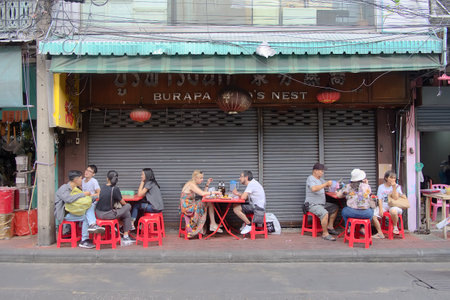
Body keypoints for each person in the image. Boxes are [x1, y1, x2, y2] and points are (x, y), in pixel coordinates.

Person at [55, 170, 105, 249]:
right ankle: (84, 240)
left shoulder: (76, 188)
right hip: (65, 214)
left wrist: (97, 196)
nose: (82, 180)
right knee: (86, 218)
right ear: (76, 179)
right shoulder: (64, 188)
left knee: (89, 206)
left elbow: (82, 200)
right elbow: (68, 199)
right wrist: (83, 194)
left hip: (74, 211)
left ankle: (93, 225)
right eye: (81, 178)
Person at [95, 170, 135, 246]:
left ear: (107, 178)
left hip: (98, 213)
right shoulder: (115, 189)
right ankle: (125, 235)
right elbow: (123, 202)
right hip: (108, 214)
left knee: (126, 213)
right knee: (128, 207)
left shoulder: (102, 187)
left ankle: (121, 227)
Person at [180, 170, 222, 238]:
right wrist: (215, 192)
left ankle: (213, 224)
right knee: (208, 202)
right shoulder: (191, 185)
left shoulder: (193, 184)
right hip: (187, 208)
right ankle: (213, 224)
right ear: (195, 178)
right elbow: (202, 194)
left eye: (202, 178)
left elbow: (203, 194)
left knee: (208, 202)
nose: (202, 180)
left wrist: (207, 184)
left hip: (189, 205)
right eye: (201, 178)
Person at [305, 163, 339, 241]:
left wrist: (332, 184)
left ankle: (330, 227)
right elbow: (313, 189)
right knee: (324, 213)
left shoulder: (320, 180)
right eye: (321, 171)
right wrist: (325, 184)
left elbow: (326, 185)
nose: (322, 173)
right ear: (315, 171)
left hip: (321, 204)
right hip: (312, 204)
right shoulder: (311, 178)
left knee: (335, 207)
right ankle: (325, 234)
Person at [232, 170, 266, 235]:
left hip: (257, 208)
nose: (239, 178)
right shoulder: (253, 183)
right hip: (257, 206)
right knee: (236, 205)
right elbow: (246, 197)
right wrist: (237, 194)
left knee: (236, 209)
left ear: (246, 177)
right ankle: (246, 223)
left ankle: (248, 225)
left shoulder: (251, 184)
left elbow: (243, 198)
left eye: (241, 176)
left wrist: (237, 193)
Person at [372, 170, 404, 238]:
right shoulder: (381, 187)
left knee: (393, 211)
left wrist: (394, 187)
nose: (393, 179)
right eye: (391, 178)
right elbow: (380, 199)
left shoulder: (397, 187)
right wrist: (380, 209)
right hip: (384, 205)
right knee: (373, 215)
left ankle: (395, 227)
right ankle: (380, 233)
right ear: (386, 178)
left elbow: (395, 198)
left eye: (394, 178)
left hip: (395, 205)